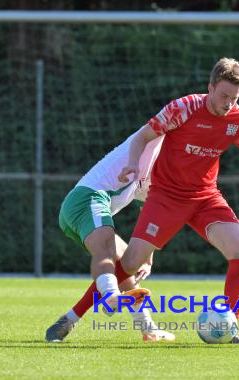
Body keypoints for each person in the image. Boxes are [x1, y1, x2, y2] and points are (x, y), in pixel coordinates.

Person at [106, 57, 239, 345]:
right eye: (223, 95)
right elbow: (142, 137)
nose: (229, 103)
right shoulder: (183, 108)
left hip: (205, 198)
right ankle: (75, 315)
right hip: (166, 196)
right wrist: (133, 165)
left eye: (235, 97)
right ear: (210, 87)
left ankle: (231, 329)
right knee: (130, 263)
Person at [45, 134, 175, 343]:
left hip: (82, 211)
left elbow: (149, 209)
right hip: (88, 198)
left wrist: (148, 255)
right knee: (106, 250)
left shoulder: (160, 170)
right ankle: (111, 296)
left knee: (125, 268)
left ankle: (146, 328)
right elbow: (161, 122)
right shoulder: (155, 136)